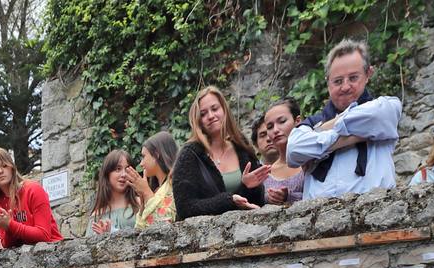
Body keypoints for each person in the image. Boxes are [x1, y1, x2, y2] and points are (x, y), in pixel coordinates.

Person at [286, 40, 403, 199]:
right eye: (338, 81)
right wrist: (356, 136)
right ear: (328, 82)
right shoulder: (314, 123)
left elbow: (375, 116)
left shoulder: (387, 107)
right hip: (317, 217)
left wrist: (319, 139)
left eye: (353, 78)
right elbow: (293, 150)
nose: (345, 87)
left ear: (368, 74)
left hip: (375, 211)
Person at [172, 86, 268, 220]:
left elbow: (257, 204)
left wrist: (248, 187)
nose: (210, 116)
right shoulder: (189, 155)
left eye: (215, 109)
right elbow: (185, 208)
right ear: (198, 120)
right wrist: (228, 201)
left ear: (224, 110)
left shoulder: (242, 147)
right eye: (203, 113)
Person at [0, 147, 63, 248]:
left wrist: (10, 225)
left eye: (4, 165)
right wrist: (8, 228)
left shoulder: (33, 189)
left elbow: (44, 235)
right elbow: (6, 244)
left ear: (12, 168)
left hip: (51, 251)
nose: (0, 171)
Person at [128, 131, 179, 228]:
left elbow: (164, 225)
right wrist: (143, 204)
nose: (141, 164)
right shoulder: (156, 189)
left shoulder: (175, 183)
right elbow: (139, 231)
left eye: (144, 156)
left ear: (156, 155)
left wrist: (146, 192)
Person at [260, 98, 307, 205]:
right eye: (270, 127)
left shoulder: (313, 161)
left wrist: (289, 196)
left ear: (297, 121)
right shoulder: (265, 173)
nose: (276, 130)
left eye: (282, 122)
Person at [88, 150, 142, 234]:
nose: (124, 174)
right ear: (107, 174)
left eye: (127, 169)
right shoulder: (97, 215)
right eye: (118, 169)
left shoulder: (140, 203)